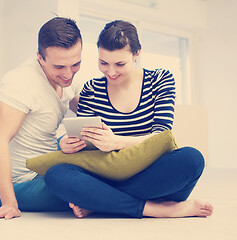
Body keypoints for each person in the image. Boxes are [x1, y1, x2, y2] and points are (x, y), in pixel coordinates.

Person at [44, 20, 214, 219]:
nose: (111, 72)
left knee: (192, 159)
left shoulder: (160, 80)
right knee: (56, 175)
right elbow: (86, 142)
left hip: (150, 173)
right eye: (104, 63)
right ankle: (156, 209)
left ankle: (101, 203)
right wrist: (69, 143)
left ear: (136, 55)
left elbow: (162, 136)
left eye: (120, 64)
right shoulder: (91, 89)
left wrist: (116, 142)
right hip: (108, 175)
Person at [0, 17, 83, 220]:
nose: (68, 74)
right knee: (83, 185)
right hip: (28, 178)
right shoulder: (20, 82)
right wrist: (9, 203)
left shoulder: (69, 76)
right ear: (40, 58)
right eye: (59, 67)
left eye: (76, 64)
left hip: (54, 164)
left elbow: (93, 113)